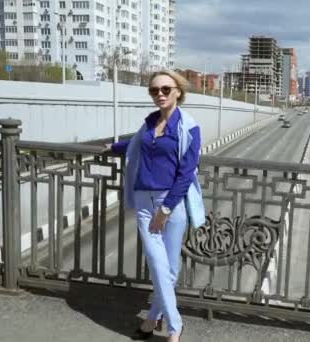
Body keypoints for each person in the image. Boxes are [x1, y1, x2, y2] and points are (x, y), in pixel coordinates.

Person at [104, 70, 205, 341]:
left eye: (165, 89)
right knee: (158, 265)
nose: (159, 94)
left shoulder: (189, 127)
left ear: (178, 92)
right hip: (144, 201)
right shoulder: (149, 123)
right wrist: (113, 147)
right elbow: (135, 144)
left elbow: (186, 173)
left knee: (168, 269)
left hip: (170, 203)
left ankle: (152, 320)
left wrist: (167, 208)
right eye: (153, 90)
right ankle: (175, 326)